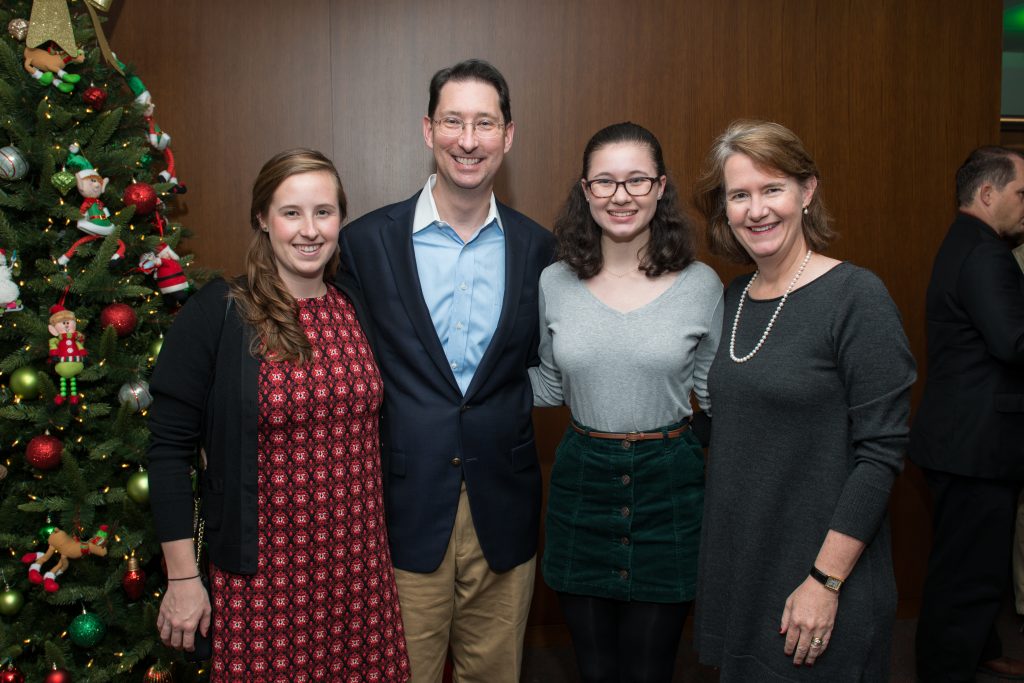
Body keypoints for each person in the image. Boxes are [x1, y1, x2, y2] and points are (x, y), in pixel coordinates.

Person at [147, 149, 410, 681]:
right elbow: (169, 450)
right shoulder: (219, 311)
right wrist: (181, 579)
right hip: (262, 584)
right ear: (262, 219)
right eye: (291, 212)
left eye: (324, 212)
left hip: (358, 575)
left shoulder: (354, 306)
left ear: (341, 219)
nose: (309, 230)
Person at [336, 59, 555, 682]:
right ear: (427, 130)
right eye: (454, 121)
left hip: (505, 510)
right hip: (403, 508)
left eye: (484, 123)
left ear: (507, 136)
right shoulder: (365, 244)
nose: (468, 139)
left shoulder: (540, 250)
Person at [691, 120, 916, 681]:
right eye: (739, 195)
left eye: (773, 189)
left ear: (807, 191)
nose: (756, 210)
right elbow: (734, 425)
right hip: (745, 565)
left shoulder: (856, 297)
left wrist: (825, 581)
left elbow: (881, 455)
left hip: (819, 575)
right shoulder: (735, 296)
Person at [529, 122, 723, 682]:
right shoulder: (553, 283)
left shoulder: (701, 284)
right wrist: (456, 391)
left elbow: (713, 397)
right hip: (582, 478)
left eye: (637, 180)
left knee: (648, 668)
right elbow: (549, 382)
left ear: (661, 187)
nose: (621, 196)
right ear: (584, 191)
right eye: (605, 182)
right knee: (593, 667)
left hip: (670, 481)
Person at [910, 146, 1024, 682]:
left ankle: (981, 651)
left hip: (964, 438)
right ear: (987, 193)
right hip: (975, 444)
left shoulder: (969, 241)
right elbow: (1013, 343)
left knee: (974, 561)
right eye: (1022, 194)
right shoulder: (985, 253)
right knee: (968, 574)